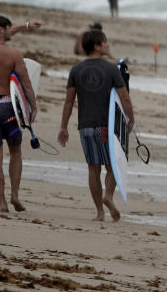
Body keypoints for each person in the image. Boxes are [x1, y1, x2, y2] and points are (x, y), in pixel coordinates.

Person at [58, 29, 135, 222]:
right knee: (112, 166)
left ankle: (99, 213)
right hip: (106, 127)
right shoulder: (111, 70)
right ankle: (108, 195)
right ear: (98, 45)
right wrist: (130, 118)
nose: (108, 45)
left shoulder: (76, 70)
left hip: (85, 126)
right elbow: (124, 97)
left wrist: (63, 126)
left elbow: (69, 101)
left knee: (93, 168)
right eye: (105, 42)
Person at [0, 15, 44, 213]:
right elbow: (27, 84)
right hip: (7, 107)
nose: (11, 31)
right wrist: (33, 107)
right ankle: (15, 195)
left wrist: (27, 25)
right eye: (8, 28)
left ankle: (2, 203)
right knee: (15, 152)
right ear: (2, 30)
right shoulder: (13, 55)